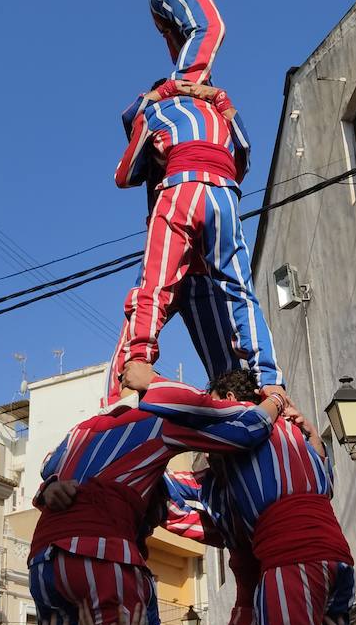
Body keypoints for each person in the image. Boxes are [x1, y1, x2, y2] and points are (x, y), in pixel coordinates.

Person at [28, 377, 282, 625]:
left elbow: (46, 466)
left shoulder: (79, 430)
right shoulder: (159, 420)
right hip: (101, 553)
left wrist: (52, 485)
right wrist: (277, 399)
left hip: (43, 562)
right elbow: (247, 430)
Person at [140, 369, 355, 625]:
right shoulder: (293, 432)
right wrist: (309, 430)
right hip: (336, 559)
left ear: (228, 401)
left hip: (292, 559)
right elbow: (326, 483)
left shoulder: (245, 425)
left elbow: (166, 486)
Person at [108, 79, 284, 405]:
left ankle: (136, 366)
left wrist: (158, 115)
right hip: (224, 197)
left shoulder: (155, 111)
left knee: (153, 287)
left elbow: (124, 174)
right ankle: (268, 381)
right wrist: (218, 99)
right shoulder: (221, 112)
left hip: (180, 193)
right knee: (241, 292)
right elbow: (243, 156)